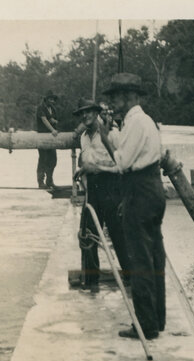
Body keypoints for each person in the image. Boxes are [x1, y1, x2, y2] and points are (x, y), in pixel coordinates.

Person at [97, 72, 166, 340]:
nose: (113, 104)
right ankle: (157, 320)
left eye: (115, 98)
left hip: (140, 191)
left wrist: (107, 139)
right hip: (151, 189)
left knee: (140, 260)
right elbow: (124, 146)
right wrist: (107, 135)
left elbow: (123, 162)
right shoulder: (139, 122)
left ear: (129, 97)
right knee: (154, 257)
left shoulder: (136, 123)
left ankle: (146, 325)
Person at [72, 98, 129, 290]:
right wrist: (84, 171)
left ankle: (131, 279)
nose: (85, 116)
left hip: (112, 187)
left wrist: (95, 167)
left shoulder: (111, 135)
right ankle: (90, 282)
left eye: (89, 112)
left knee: (118, 234)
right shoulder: (83, 138)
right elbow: (87, 163)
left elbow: (123, 165)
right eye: (82, 113)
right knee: (87, 235)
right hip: (93, 189)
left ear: (97, 113)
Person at [35, 90, 60, 189]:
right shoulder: (41, 107)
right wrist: (53, 130)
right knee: (43, 159)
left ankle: (49, 181)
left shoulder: (53, 109)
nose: (52, 101)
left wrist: (55, 122)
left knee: (53, 160)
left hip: (51, 138)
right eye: (50, 99)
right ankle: (40, 182)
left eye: (53, 99)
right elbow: (44, 120)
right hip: (42, 137)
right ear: (46, 99)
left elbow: (53, 119)